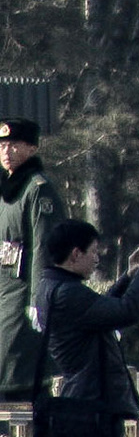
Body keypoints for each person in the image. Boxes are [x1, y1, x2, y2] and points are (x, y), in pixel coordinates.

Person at [36, 219, 139, 437]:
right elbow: (126, 311)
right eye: (93, 251)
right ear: (75, 254)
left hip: (83, 404)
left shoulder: (54, 287)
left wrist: (128, 277)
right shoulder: (67, 293)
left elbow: (99, 312)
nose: (96, 259)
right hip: (93, 409)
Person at [0, 119, 65, 399]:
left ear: (32, 148)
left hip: (21, 293)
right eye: (2, 145)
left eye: (14, 145)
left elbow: (44, 247)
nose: (6, 151)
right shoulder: (5, 189)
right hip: (3, 291)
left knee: (17, 371)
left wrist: (39, 299)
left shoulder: (38, 189)